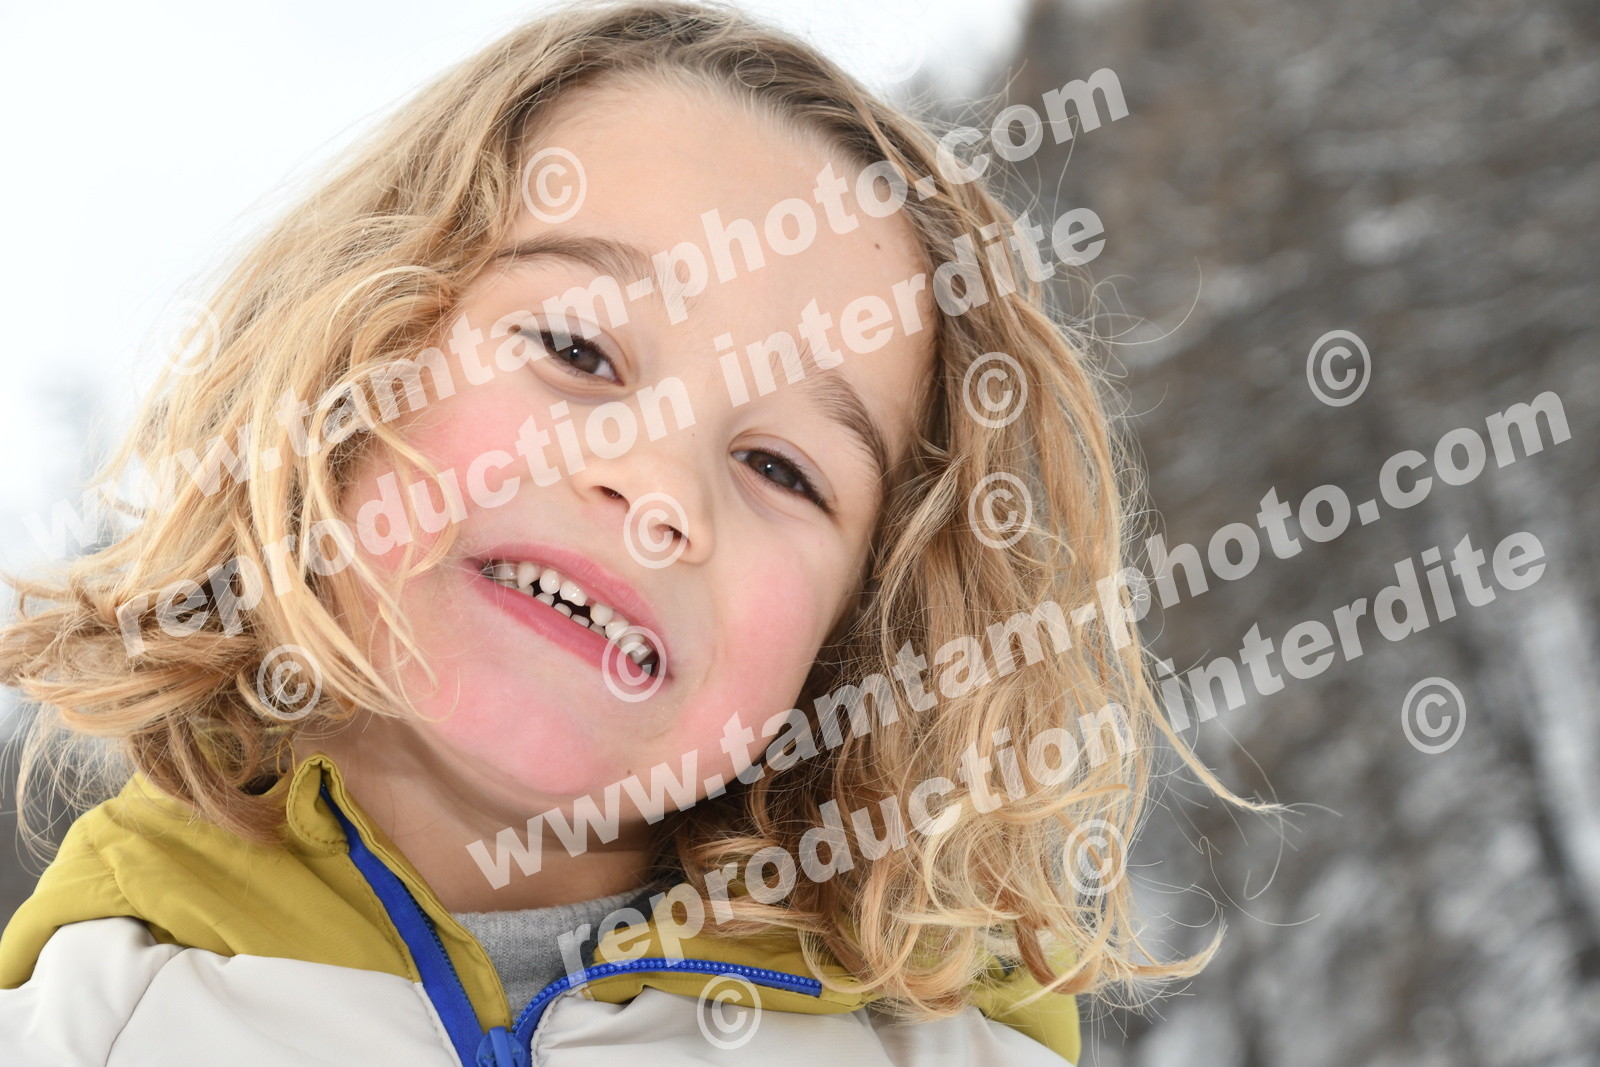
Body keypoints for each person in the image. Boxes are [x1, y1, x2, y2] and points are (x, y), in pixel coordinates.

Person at [0, 2, 1248, 1062]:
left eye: (780, 467)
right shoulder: (91, 1018)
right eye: (577, 349)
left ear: (858, 630)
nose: (657, 488)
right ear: (349, 360)